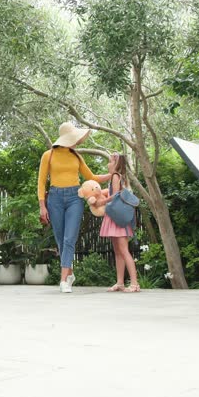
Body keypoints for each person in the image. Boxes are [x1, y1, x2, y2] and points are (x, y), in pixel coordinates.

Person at [38, 122, 111, 293]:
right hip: (54, 198)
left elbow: (91, 176)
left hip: (74, 198)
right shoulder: (48, 155)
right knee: (60, 238)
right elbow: (41, 182)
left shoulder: (76, 156)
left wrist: (113, 174)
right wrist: (42, 206)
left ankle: (63, 280)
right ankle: (69, 273)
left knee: (69, 238)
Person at [98, 153, 140, 293]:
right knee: (118, 251)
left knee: (123, 251)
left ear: (115, 163)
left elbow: (115, 195)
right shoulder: (117, 177)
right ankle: (120, 282)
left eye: (110, 162)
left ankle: (134, 284)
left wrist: (102, 201)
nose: (108, 164)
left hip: (116, 217)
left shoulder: (116, 176)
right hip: (115, 217)